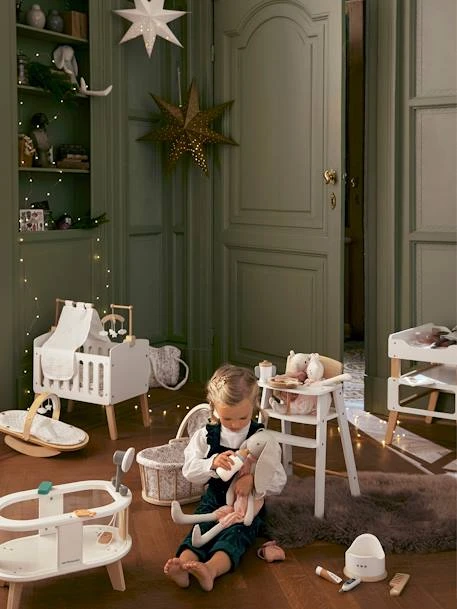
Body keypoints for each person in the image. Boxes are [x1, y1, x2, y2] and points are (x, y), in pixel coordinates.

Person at [164, 363, 287, 591]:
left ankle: (211, 570)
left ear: (254, 407)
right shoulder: (205, 435)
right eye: (227, 418)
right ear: (214, 410)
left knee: (235, 535)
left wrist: (254, 480)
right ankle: (183, 565)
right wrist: (211, 463)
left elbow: (279, 479)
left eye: (243, 417)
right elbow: (189, 470)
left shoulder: (261, 439)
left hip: (247, 506)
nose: (236, 424)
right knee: (200, 529)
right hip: (214, 498)